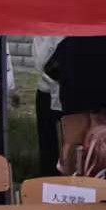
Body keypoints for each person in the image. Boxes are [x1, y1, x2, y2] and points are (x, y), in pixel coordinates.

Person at [29, 36, 64, 178]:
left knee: (72, 146)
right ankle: (49, 182)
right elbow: (41, 63)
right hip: (47, 92)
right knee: (49, 146)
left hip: (72, 94)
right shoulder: (42, 34)